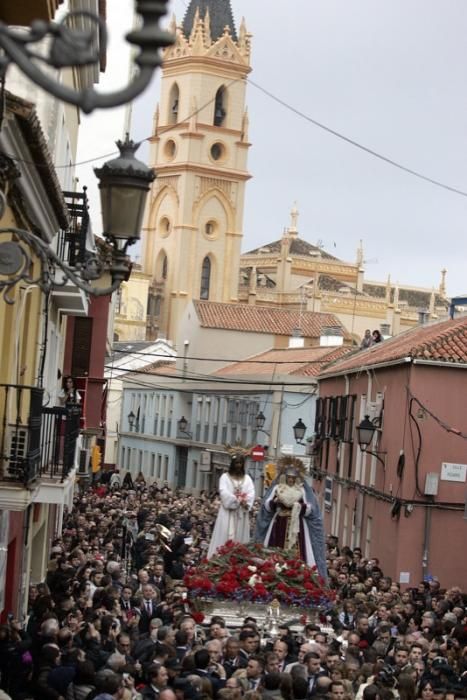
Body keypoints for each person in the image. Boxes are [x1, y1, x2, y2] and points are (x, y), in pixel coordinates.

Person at [254, 456, 327, 580]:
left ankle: (296, 569)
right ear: (285, 478)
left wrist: (298, 506)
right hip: (279, 522)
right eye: (289, 478)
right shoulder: (278, 488)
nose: (291, 480)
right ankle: (273, 568)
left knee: (297, 549)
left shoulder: (302, 490)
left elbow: (310, 509)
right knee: (275, 548)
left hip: (297, 525)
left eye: (293, 478)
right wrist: (276, 502)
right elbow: (267, 505)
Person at [207, 452, 255, 559]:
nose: (239, 466)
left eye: (241, 463)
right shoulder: (225, 477)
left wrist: (245, 502)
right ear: (233, 464)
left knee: (240, 538)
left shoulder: (247, 479)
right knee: (224, 535)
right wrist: (236, 499)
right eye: (237, 463)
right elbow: (223, 493)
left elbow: (251, 493)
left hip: (241, 514)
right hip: (227, 513)